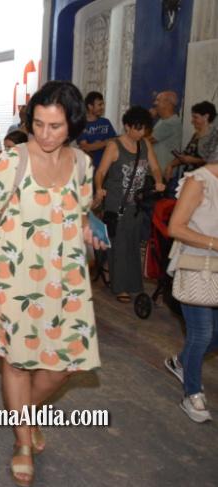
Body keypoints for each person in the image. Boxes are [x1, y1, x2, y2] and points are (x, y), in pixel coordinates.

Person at [0, 81, 106, 487]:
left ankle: (24, 413)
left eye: (55, 126)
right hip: (14, 275)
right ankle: (22, 441)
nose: (45, 134)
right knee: (17, 361)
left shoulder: (82, 164)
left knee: (65, 365)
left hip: (65, 277)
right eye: (38, 124)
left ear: (72, 125)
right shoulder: (13, 160)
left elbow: (81, 213)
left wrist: (88, 231)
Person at [164, 147, 218, 423]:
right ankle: (192, 393)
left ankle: (183, 361)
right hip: (196, 266)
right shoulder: (199, 181)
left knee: (214, 335)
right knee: (202, 333)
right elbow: (176, 227)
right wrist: (215, 244)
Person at [94, 106, 165, 302]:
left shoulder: (144, 144)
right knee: (118, 245)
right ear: (127, 126)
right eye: (138, 128)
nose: (141, 133)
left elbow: (155, 167)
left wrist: (158, 180)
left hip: (136, 204)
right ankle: (119, 287)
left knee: (133, 244)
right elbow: (101, 172)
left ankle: (134, 284)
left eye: (144, 129)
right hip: (116, 204)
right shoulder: (114, 146)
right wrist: (99, 188)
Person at [164, 101, 218, 182]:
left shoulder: (214, 137)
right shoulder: (196, 135)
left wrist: (192, 160)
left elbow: (213, 161)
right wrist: (171, 165)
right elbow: (186, 154)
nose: (192, 121)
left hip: (204, 180)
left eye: (195, 117)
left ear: (206, 117)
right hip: (190, 177)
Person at [76, 91, 116, 170]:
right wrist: (105, 142)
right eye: (99, 105)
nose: (102, 107)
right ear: (90, 106)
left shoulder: (106, 122)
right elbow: (85, 147)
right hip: (89, 168)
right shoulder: (81, 124)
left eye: (103, 104)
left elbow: (114, 142)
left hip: (107, 168)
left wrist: (97, 145)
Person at [148, 91, 183, 173]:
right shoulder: (163, 120)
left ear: (168, 103)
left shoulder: (171, 123)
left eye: (158, 100)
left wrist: (148, 118)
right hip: (157, 170)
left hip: (162, 172)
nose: (154, 103)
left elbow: (147, 140)